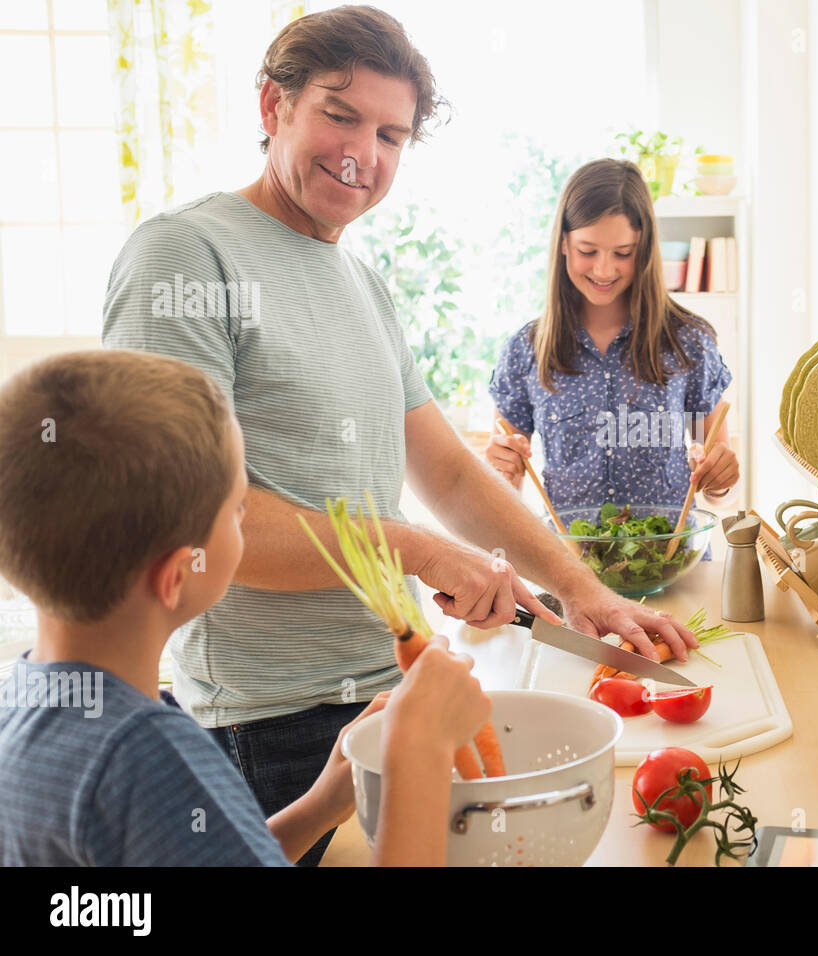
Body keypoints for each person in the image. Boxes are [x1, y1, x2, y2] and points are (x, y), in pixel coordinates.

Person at [100, 6, 695, 867]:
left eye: (391, 133)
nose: (363, 155)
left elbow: (447, 470)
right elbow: (191, 524)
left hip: (386, 696)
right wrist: (419, 552)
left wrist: (579, 588)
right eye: (339, 116)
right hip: (267, 725)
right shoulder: (186, 258)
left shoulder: (360, 280)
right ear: (273, 107)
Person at [0, 350, 490, 865]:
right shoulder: (147, 757)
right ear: (177, 575)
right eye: (238, 510)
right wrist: (419, 754)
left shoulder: (35, 704)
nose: (246, 523)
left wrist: (319, 806)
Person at [485, 158, 740, 526]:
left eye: (623, 253)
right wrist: (498, 472)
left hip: (668, 567)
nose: (604, 270)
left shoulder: (689, 341)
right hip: (568, 572)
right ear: (563, 244)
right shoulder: (525, 350)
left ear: (645, 249)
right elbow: (504, 491)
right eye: (588, 250)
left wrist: (721, 480)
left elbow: (719, 493)